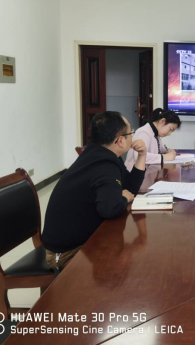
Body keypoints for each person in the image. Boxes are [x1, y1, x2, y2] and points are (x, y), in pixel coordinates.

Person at [42, 111, 146, 271]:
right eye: (130, 132)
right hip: (65, 252)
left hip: (80, 239)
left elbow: (130, 188)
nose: (132, 136)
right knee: (134, 268)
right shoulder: (104, 165)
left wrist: (142, 156)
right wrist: (124, 198)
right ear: (120, 140)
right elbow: (110, 209)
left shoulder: (103, 154)